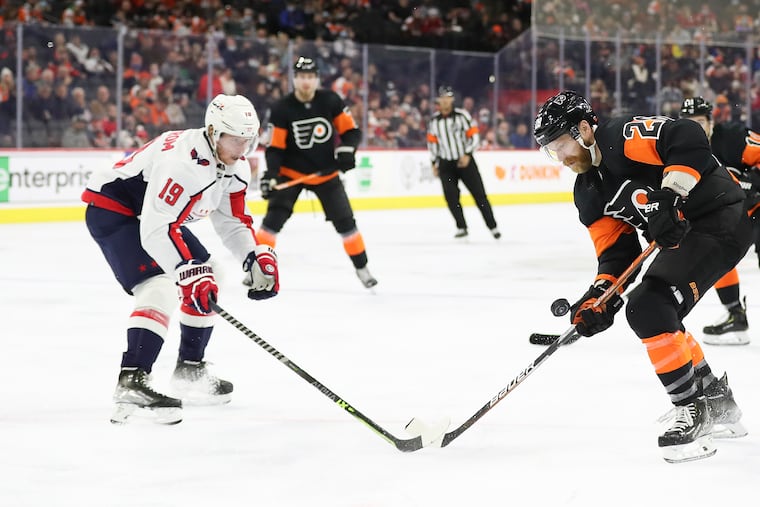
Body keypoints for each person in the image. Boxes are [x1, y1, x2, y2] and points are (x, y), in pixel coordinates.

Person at [533, 90, 749, 463]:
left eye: (563, 144)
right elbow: (618, 255)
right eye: (553, 151)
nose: (563, 158)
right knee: (656, 310)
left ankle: (692, 408)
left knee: (650, 305)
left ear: (584, 129)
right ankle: (716, 399)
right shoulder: (587, 192)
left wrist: (671, 195)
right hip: (687, 237)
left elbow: (687, 136)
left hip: (720, 217)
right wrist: (598, 299)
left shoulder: (622, 137)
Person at [82, 94, 280, 424]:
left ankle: (190, 369)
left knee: (210, 274)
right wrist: (185, 271)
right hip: (116, 211)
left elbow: (231, 221)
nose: (242, 148)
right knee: (159, 286)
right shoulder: (183, 164)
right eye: (235, 139)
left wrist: (252, 257)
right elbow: (156, 229)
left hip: (154, 216)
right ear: (214, 132)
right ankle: (132, 380)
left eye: (249, 139)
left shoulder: (235, 164)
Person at [257, 56, 377, 289]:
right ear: (294, 79)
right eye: (302, 77)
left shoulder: (330, 100)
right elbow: (275, 148)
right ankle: (257, 269)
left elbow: (351, 132)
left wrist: (345, 152)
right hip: (291, 173)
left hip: (326, 174)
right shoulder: (282, 108)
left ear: (317, 80)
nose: (306, 82)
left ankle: (362, 268)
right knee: (271, 222)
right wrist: (272, 174)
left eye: (310, 77)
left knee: (346, 224)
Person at [679, 96, 760, 345]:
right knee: (713, 251)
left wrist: (751, 184)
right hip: (732, 217)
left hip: (757, 207)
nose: (696, 127)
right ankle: (735, 314)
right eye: (689, 122)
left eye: (700, 121)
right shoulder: (679, 150)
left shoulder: (733, 137)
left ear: (711, 122)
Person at [426, 85, 500, 239]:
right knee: (451, 197)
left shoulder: (462, 116)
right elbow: (432, 143)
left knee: (479, 194)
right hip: (446, 163)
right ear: (439, 100)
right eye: (442, 98)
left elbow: (474, 137)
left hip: (465, 161)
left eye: (447, 97)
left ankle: (492, 226)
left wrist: (467, 154)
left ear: (452, 99)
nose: (445, 101)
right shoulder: (434, 120)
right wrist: (434, 162)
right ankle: (461, 226)